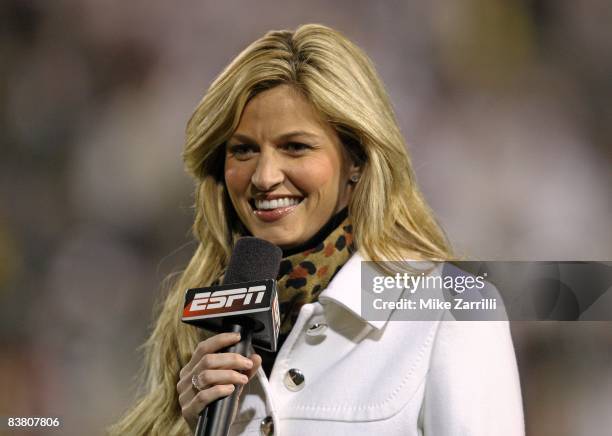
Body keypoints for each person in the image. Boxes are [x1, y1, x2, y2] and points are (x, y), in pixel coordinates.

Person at [109, 24, 524, 435]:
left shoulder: (453, 307)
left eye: (295, 147)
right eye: (244, 150)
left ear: (357, 159)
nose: (264, 176)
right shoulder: (200, 331)